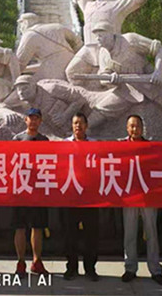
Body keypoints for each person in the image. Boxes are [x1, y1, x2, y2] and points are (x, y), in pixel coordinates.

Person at [64, 0, 162, 82]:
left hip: (109, 50)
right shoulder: (88, 6)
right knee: (71, 72)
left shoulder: (115, 5)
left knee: (105, 80)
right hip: (88, 49)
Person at [120, 115, 162, 285]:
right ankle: (130, 268)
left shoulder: (150, 147)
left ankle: (155, 269)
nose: (135, 129)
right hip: (129, 196)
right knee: (130, 233)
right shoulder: (120, 147)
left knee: (151, 233)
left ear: (142, 127)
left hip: (148, 196)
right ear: (127, 128)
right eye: (131, 126)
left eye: (138, 126)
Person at [12, 108, 50, 276]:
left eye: (36, 118)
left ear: (40, 121)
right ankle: (20, 261)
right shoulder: (17, 139)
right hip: (21, 188)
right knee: (19, 227)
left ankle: (36, 261)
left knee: (37, 226)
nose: (33, 121)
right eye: (31, 118)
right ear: (25, 120)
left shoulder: (44, 140)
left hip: (38, 189)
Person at [62, 113, 100, 282]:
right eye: (75, 123)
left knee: (91, 234)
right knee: (70, 234)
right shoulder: (65, 145)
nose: (78, 126)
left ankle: (90, 268)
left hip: (90, 196)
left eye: (81, 123)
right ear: (72, 126)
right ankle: (71, 267)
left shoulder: (94, 145)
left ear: (86, 125)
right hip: (70, 196)